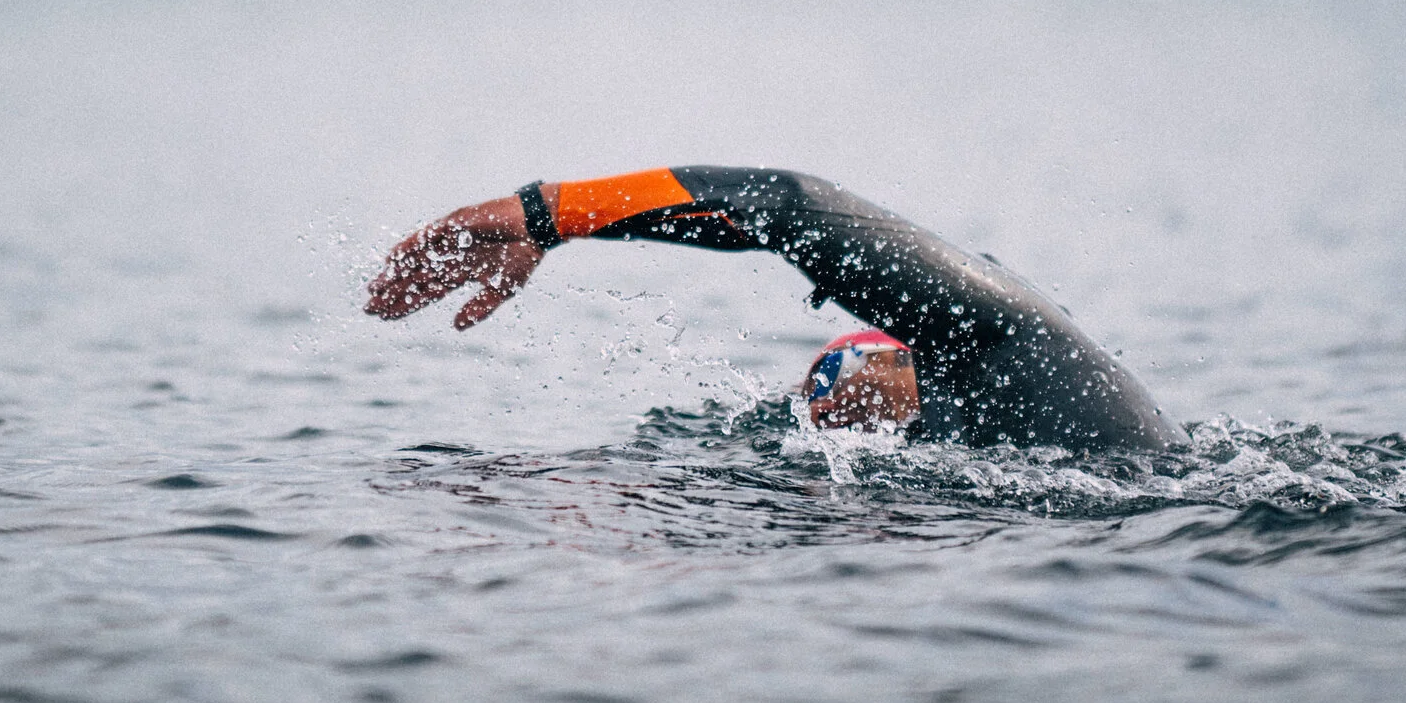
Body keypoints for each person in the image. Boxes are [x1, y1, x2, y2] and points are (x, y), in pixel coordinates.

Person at [364, 165, 1182, 451]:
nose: (829, 393)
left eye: (847, 360)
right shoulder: (1002, 400)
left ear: (903, 337)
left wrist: (547, 214)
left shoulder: (993, 324)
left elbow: (782, 202)